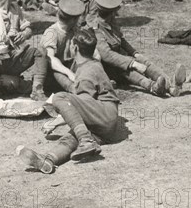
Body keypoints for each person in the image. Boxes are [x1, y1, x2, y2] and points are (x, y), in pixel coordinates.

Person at [17, 28, 120, 173]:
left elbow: (81, 104)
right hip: (104, 124)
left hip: (104, 114)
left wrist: (55, 122)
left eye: (70, 44)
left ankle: (86, 140)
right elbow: (83, 108)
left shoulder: (87, 72)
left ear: (75, 47)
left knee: (60, 97)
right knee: (71, 137)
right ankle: (49, 160)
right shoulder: (91, 64)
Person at [89, 0, 185, 97]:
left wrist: (134, 53)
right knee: (127, 70)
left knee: (144, 61)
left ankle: (171, 87)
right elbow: (106, 55)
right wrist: (132, 63)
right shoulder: (95, 28)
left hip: (120, 58)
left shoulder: (110, 22)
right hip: (107, 67)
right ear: (112, 12)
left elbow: (120, 39)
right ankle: (153, 87)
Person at [30, 0, 85, 100]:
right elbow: (51, 60)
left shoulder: (74, 30)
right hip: (51, 75)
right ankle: (75, 89)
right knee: (56, 68)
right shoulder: (52, 32)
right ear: (73, 20)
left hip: (68, 68)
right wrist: (69, 73)